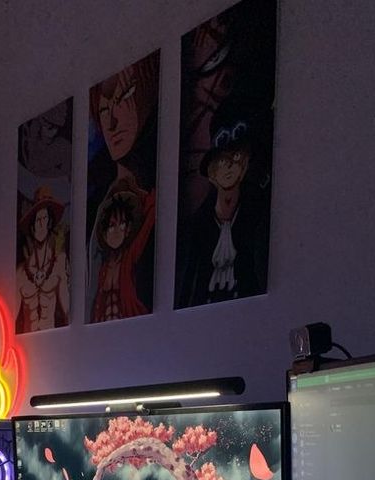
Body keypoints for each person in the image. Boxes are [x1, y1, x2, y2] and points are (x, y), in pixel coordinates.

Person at [86, 50, 160, 321]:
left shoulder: (151, 204)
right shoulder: (96, 208)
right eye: (104, 110)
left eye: (125, 96)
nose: (112, 122)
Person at [176, 111, 269, 307]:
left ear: (244, 163)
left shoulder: (256, 211)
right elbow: (188, 282)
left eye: (235, 157)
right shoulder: (200, 222)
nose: (228, 167)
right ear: (211, 172)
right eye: (221, 161)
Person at [90, 182, 156, 322]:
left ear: (128, 228)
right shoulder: (103, 267)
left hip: (128, 330)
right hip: (103, 333)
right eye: (112, 225)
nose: (117, 231)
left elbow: (149, 220)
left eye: (122, 224)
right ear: (105, 231)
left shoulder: (129, 257)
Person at [16, 186, 70, 332]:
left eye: (44, 218)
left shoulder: (59, 262)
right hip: (28, 346)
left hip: (51, 341)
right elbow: (12, 319)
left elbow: (67, 310)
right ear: (32, 226)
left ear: (49, 222)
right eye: (37, 220)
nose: (40, 224)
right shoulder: (21, 272)